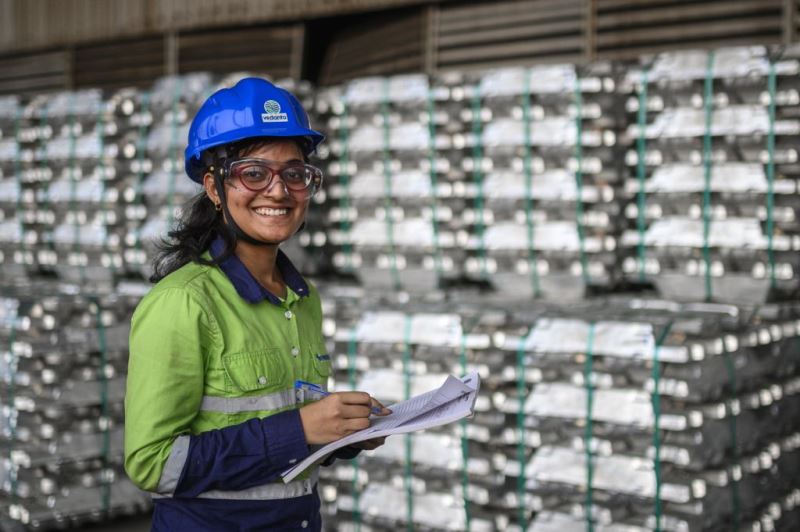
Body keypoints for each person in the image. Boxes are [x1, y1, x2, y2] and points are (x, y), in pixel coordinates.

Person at [124, 77, 389, 531]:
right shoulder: (182, 303)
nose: (278, 191)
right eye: (253, 173)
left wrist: (341, 431)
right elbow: (153, 464)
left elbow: (280, 424)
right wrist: (299, 429)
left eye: (294, 174)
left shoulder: (301, 299)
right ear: (214, 187)